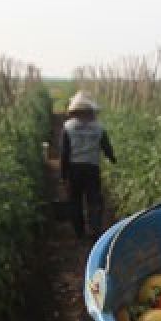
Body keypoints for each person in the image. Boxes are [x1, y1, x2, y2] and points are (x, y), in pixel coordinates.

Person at [59, 90, 117, 240]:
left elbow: (64, 153)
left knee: (75, 202)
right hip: (92, 168)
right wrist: (113, 160)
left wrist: (63, 175)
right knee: (94, 201)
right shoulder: (99, 127)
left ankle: (80, 233)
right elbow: (106, 147)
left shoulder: (68, 127)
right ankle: (95, 231)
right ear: (91, 111)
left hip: (74, 169)